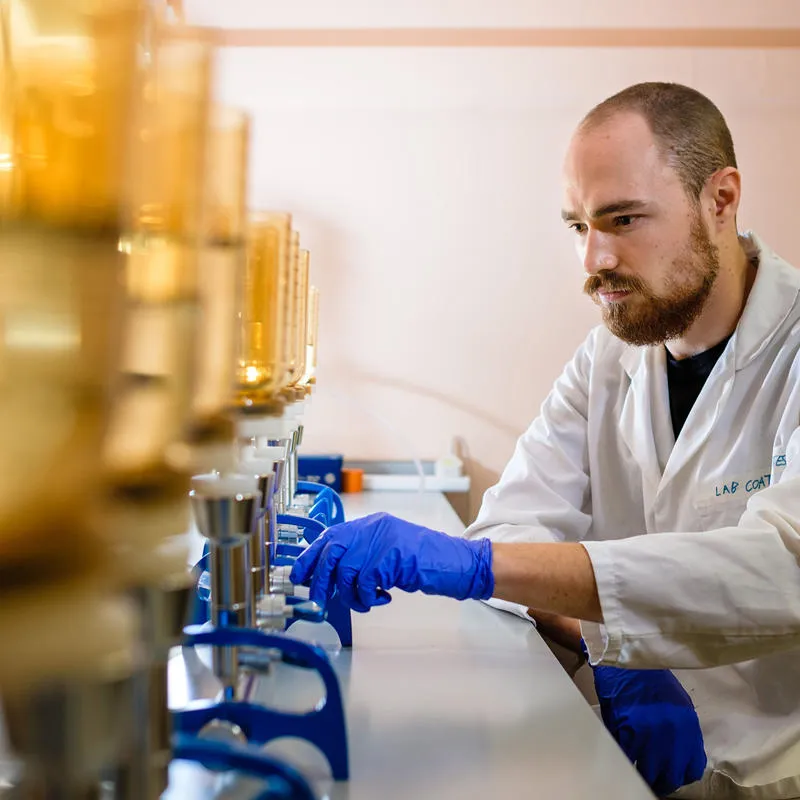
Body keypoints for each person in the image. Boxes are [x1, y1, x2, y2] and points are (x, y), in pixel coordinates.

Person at [290, 82, 800, 799]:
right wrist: (616, 652)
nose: (593, 259)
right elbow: (511, 525)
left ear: (720, 200)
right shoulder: (607, 359)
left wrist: (544, 593)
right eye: (578, 225)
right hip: (638, 769)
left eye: (623, 219)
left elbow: (784, 567)